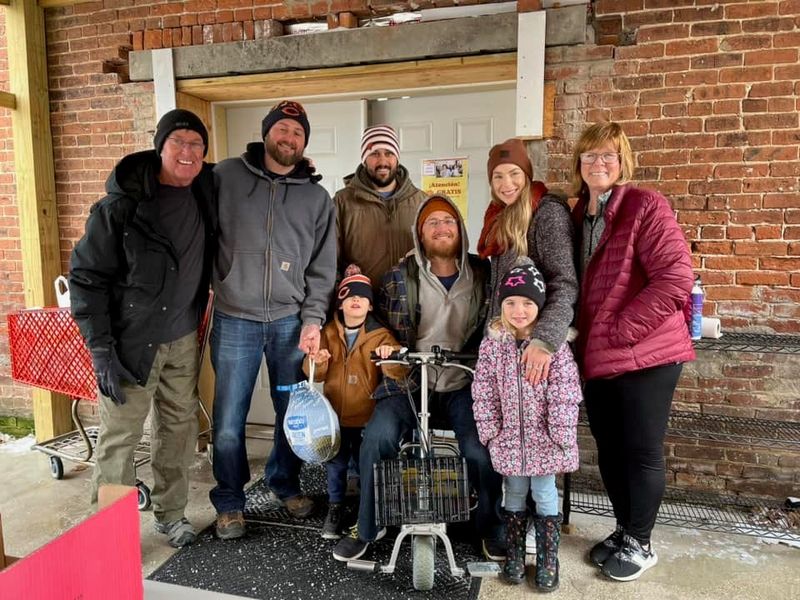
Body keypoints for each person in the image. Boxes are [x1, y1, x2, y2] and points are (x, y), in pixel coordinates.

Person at [69, 109, 217, 548]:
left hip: (183, 338)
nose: (188, 152)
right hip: (132, 343)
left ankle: (171, 515)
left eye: (196, 144)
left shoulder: (205, 190)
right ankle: (110, 536)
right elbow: (86, 278)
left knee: (178, 429)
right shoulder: (121, 207)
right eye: (178, 142)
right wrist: (100, 348)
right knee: (121, 438)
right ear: (160, 146)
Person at [332, 194, 506, 563]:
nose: (442, 228)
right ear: (420, 233)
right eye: (432, 223)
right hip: (409, 380)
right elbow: (376, 320)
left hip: (463, 381)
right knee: (377, 438)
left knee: (480, 450)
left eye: (449, 221)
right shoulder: (399, 276)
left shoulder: (483, 273)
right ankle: (367, 526)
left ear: (460, 229)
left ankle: (490, 527)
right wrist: (385, 345)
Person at [571, 122, 695, 581]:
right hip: (601, 356)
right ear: (579, 164)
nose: (597, 163)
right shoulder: (579, 214)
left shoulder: (645, 205)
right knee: (610, 449)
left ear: (622, 161)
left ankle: (641, 543)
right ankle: (624, 530)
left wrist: (622, 330)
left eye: (607, 155)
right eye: (589, 155)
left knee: (640, 450)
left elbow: (676, 278)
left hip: (648, 355)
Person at [209, 100, 336, 540]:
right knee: (229, 420)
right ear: (266, 133)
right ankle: (230, 500)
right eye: (282, 129)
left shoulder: (317, 199)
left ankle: (284, 483)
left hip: (289, 323)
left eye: (298, 133)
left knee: (291, 412)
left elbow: (323, 268)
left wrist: (313, 319)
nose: (289, 138)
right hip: (234, 318)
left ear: (304, 143)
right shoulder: (225, 176)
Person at [472, 258, 581, 592]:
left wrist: (560, 433)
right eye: (511, 303)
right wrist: (491, 431)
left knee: (545, 493)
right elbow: (484, 390)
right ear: (501, 305)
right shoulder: (493, 344)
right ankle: (516, 555)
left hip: (545, 439)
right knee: (515, 492)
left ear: (540, 306)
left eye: (527, 303)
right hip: (508, 439)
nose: (518, 311)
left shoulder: (554, 347)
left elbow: (565, 391)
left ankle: (548, 559)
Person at [302, 264, 405, 540]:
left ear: (370, 306)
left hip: (366, 416)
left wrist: (389, 356)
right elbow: (313, 374)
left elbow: (398, 373)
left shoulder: (381, 336)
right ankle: (335, 507)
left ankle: (364, 511)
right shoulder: (327, 332)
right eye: (350, 297)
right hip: (333, 416)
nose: (356, 301)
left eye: (362, 297)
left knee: (364, 465)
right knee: (335, 464)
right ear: (341, 304)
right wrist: (317, 362)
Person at [477, 138, 578, 386]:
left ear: (527, 175)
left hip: (538, 350)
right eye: (498, 176)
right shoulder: (498, 217)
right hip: (505, 345)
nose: (506, 184)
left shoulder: (547, 214)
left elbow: (564, 283)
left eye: (514, 173)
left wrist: (544, 341)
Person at [334, 124, 427, 290]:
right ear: (364, 159)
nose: (382, 161)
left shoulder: (422, 202)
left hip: (411, 302)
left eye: (389, 153)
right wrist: (343, 293)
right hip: (362, 302)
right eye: (374, 154)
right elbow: (328, 261)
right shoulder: (342, 202)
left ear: (397, 158)